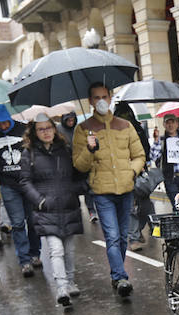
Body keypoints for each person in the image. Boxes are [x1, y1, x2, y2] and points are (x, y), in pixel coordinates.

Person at [72, 82, 146, 298]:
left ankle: (117, 273)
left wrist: (131, 172)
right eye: (97, 97)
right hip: (102, 191)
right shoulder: (83, 129)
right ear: (90, 101)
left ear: (111, 97)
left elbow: (139, 155)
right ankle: (120, 276)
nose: (101, 101)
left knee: (123, 237)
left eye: (105, 96)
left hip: (126, 188)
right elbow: (79, 165)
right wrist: (89, 149)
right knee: (112, 236)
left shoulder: (125, 125)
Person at [20, 113, 85, 307]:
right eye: (41, 129)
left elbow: (79, 173)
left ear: (54, 129)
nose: (46, 132)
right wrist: (39, 201)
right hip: (46, 209)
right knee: (56, 250)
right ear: (34, 132)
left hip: (68, 205)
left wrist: (78, 188)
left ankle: (71, 280)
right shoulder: (29, 153)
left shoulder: (65, 149)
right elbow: (25, 181)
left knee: (69, 249)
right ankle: (62, 288)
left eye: (49, 128)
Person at [0, 104, 41, 277]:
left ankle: (35, 253)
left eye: (4, 122)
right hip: (8, 185)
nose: (2, 126)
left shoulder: (23, 129)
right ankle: (24, 260)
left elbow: (35, 152)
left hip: (28, 182)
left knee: (33, 221)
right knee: (17, 223)